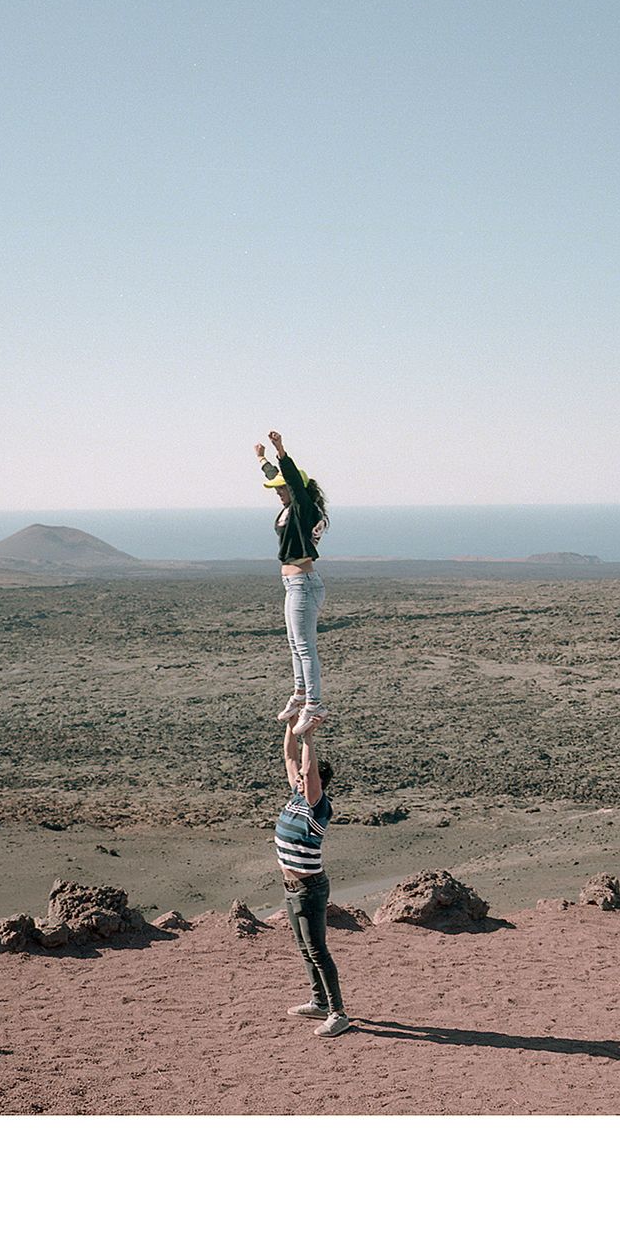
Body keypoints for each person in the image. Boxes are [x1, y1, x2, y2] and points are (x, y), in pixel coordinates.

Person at [274, 719, 350, 1037]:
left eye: (307, 779)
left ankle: (337, 1013)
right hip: (292, 888)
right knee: (305, 948)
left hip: (310, 889)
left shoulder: (318, 807)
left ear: (316, 781)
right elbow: (290, 759)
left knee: (317, 949)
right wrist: (293, 722)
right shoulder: (297, 795)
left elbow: (305, 767)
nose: (301, 780)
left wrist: (309, 737)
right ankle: (319, 1002)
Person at [255, 429, 330, 736]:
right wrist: (262, 459)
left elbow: (294, 483)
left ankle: (314, 704)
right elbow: (281, 478)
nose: (277, 491)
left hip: (304, 584)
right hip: (294, 585)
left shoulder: (303, 508)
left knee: (305, 647)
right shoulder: (290, 509)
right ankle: (300, 694)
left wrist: (280, 449)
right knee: (294, 646)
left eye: (281, 488)